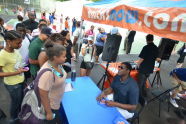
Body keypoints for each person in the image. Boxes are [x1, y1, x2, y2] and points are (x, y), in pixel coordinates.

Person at [0, 30, 28, 123]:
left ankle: (18, 115)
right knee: (15, 103)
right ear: (9, 42)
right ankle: (13, 119)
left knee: (20, 100)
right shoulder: (2, 55)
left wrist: (21, 68)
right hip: (13, 85)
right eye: (18, 43)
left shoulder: (14, 50)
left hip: (20, 80)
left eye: (21, 42)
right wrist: (16, 73)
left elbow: (14, 64)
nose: (20, 45)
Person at [38, 42, 67, 124]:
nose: (66, 58)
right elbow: (43, 95)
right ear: (55, 57)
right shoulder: (47, 74)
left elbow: (59, 76)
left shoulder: (58, 64)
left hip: (57, 101)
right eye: (64, 56)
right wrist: (49, 112)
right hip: (51, 106)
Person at [136, 34, 159, 99]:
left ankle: (138, 97)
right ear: (152, 39)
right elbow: (156, 58)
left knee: (140, 83)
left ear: (146, 40)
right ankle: (144, 93)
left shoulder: (146, 47)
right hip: (150, 69)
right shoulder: (156, 48)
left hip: (143, 69)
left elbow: (142, 59)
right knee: (144, 82)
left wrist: (137, 64)